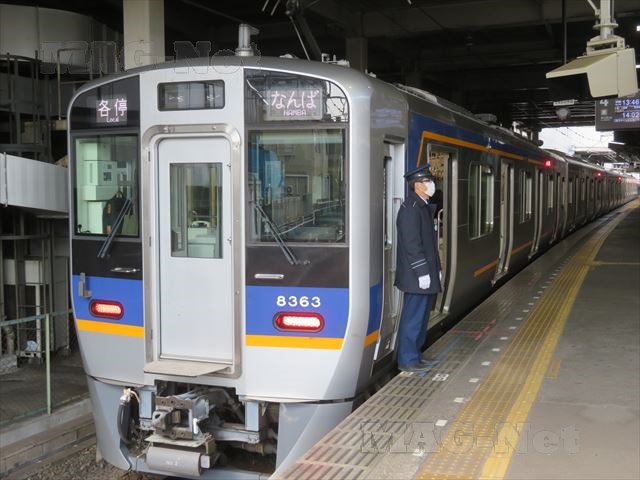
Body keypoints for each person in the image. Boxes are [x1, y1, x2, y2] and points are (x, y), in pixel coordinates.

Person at [394, 165, 442, 373]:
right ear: (418, 185)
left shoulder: (421, 206)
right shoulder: (411, 209)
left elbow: (429, 245)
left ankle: (416, 355)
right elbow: (412, 245)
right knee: (413, 319)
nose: (431, 185)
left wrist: (436, 268)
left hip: (425, 274)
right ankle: (407, 359)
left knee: (421, 319)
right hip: (416, 276)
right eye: (427, 181)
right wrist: (423, 273)